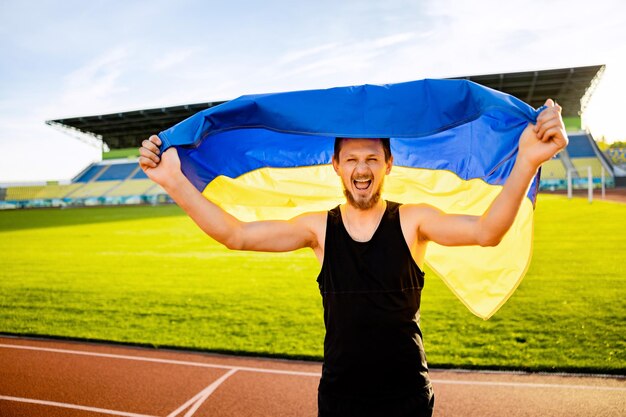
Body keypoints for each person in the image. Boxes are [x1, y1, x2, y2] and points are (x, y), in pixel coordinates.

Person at [139, 99, 567, 416]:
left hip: (406, 398)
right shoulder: (319, 228)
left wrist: (527, 159)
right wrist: (173, 182)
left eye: (371, 159)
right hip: (342, 398)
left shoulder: (412, 221)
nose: (361, 169)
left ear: (388, 164)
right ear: (336, 166)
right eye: (352, 160)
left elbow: (486, 231)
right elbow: (235, 235)